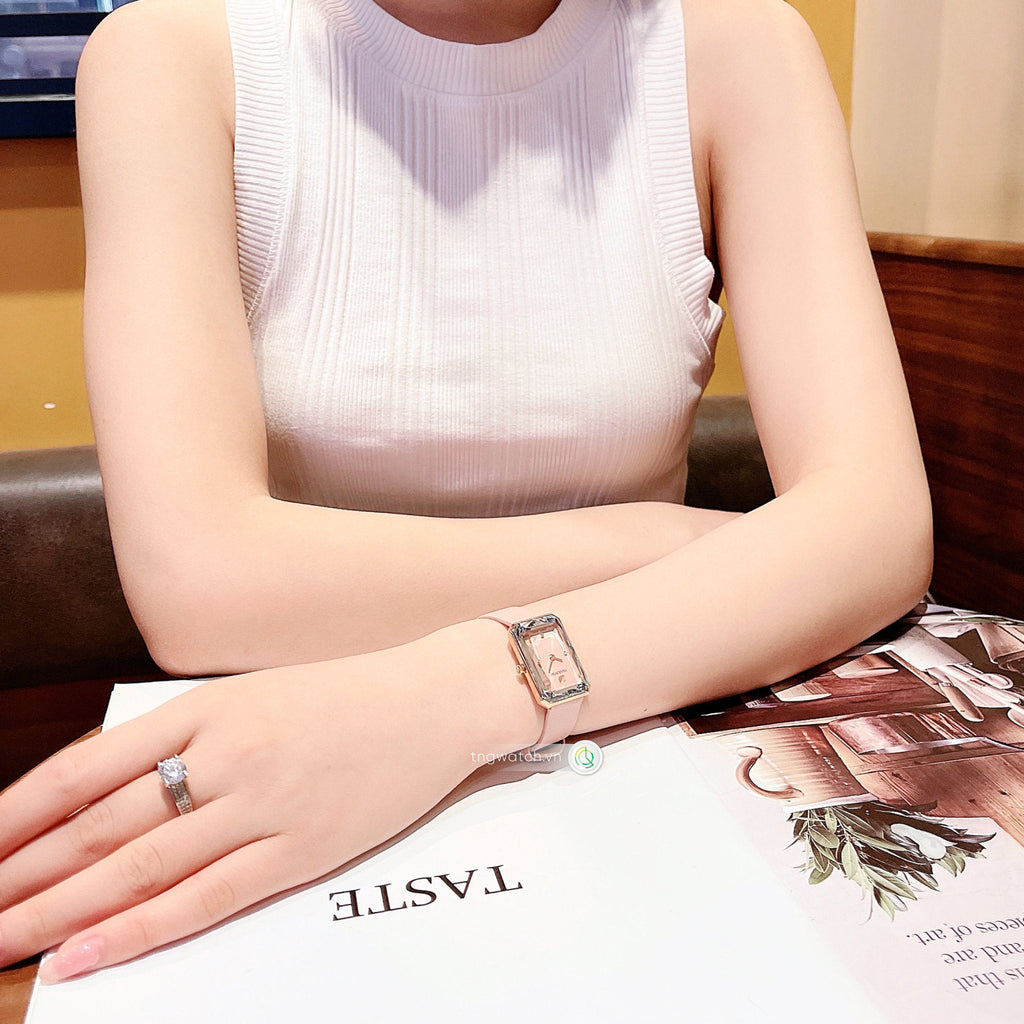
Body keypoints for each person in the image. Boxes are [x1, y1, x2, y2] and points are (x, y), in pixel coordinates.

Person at [0, 0, 931, 984]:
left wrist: (462, 692)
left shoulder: (736, 46)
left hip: (639, 731)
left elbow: (877, 529)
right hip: (288, 759)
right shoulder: (175, 54)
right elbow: (200, 586)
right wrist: (666, 542)